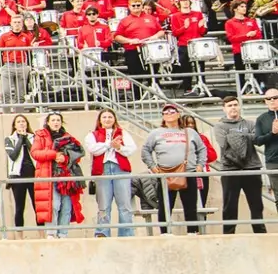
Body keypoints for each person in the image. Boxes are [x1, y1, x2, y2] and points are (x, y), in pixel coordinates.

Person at [141, 103, 207, 235]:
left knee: (190, 205)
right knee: (165, 206)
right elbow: (145, 151)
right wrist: (153, 167)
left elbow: (202, 149)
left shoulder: (190, 132)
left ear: (178, 114)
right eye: (166, 112)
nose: (169, 114)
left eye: (172, 111)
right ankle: (165, 232)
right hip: (166, 174)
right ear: (163, 117)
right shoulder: (156, 133)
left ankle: (192, 231)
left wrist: (200, 165)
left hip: (188, 173)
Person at [211, 95, 266, 235]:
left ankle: (260, 233)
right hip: (230, 169)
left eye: (235, 104)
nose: (233, 108)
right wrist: (245, 136)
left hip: (252, 167)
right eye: (229, 106)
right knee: (229, 205)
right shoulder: (219, 126)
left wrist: (234, 136)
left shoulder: (250, 123)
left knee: (256, 204)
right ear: (224, 109)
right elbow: (224, 143)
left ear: (239, 106)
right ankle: (228, 235)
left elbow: (256, 139)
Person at [83, 107, 137, 238]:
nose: (107, 120)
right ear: (100, 120)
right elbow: (93, 149)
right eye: (104, 117)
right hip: (102, 170)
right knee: (103, 204)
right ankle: (102, 232)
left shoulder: (122, 133)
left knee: (124, 204)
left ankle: (126, 233)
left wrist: (119, 148)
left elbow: (131, 149)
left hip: (120, 169)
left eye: (110, 117)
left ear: (114, 119)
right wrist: (109, 144)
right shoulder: (93, 134)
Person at [31, 112, 85, 237]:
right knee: (53, 205)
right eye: (53, 120)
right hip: (48, 176)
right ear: (48, 122)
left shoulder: (68, 137)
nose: (56, 122)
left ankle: (63, 234)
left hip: (67, 176)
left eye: (58, 120)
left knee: (67, 207)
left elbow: (77, 155)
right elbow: (35, 153)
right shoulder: (41, 136)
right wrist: (53, 155)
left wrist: (65, 159)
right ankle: (51, 233)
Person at [1, 113, 35, 236]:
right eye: (19, 122)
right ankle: (19, 235)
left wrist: (26, 138)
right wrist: (20, 139)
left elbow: (35, 153)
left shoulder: (33, 138)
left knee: (37, 206)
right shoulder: (9, 139)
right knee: (20, 207)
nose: (21, 124)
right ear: (14, 125)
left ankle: (42, 234)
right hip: (18, 176)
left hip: (34, 175)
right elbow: (13, 155)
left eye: (23, 121)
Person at [256, 89, 278, 205]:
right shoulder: (261, 119)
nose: (272, 100)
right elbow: (258, 141)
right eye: (269, 98)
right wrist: (272, 133)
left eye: (275, 97)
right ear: (265, 101)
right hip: (273, 162)